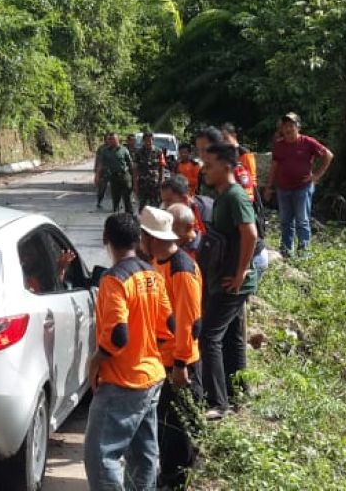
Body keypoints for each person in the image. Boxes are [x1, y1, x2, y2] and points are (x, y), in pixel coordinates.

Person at [84, 213, 174, 491]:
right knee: (144, 453)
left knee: (101, 457)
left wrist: (95, 361)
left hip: (123, 380)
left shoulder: (114, 280)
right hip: (152, 376)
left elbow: (117, 335)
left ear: (105, 239)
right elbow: (169, 325)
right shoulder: (153, 274)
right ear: (138, 240)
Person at [140, 206, 203, 490]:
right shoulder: (158, 261)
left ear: (151, 237)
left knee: (177, 428)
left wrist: (180, 365)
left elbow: (188, 323)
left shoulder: (182, 270)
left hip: (180, 363)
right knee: (167, 425)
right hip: (162, 358)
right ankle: (171, 475)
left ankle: (177, 481)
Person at [197, 143, 259, 419]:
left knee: (209, 337)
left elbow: (251, 234)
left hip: (231, 282)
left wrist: (240, 272)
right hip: (227, 279)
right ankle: (238, 395)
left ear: (226, 167)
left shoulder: (235, 196)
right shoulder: (222, 196)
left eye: (209, 165)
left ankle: (218, 403)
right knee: (233, 338)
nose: (204, 170)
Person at [265, 113, 333, 258]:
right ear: (281, 130)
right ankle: (286, 251)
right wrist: (269, 187)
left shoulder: (308, 142)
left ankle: (304, 253)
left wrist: (316, 176)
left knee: (302, 221)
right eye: (285, 127)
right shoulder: (279, 145)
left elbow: (328, 155)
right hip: (283, 189)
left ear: (298, 127)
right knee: (285, 221)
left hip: (302, 188)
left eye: (291, 126)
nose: (288, 129)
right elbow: (274, 166)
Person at [95, 132, 134, 214]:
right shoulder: (105, 151)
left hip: (124, 176)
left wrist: (134, 177)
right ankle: (116, 215)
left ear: (117, 140)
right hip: (113, 177)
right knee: (115, 198)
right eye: (109, 139)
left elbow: (130, 164)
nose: (110, 141)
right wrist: (97, 176)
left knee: (127, 198)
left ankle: (130, 216)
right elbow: (100, 164)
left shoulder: (124, 150)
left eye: (113, 139)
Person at [133, 132, 167, 212]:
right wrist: (135, 184)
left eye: (150, 140)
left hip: (155, 183)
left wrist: (161, 181)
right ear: (143, 141)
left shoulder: (159, 152)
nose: (148, 142)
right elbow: (135, 169)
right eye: (146, 140)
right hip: (142, 183)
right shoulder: (138, 153)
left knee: (155, 206)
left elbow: (162, 167)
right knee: (142, 206)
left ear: (153, 140)